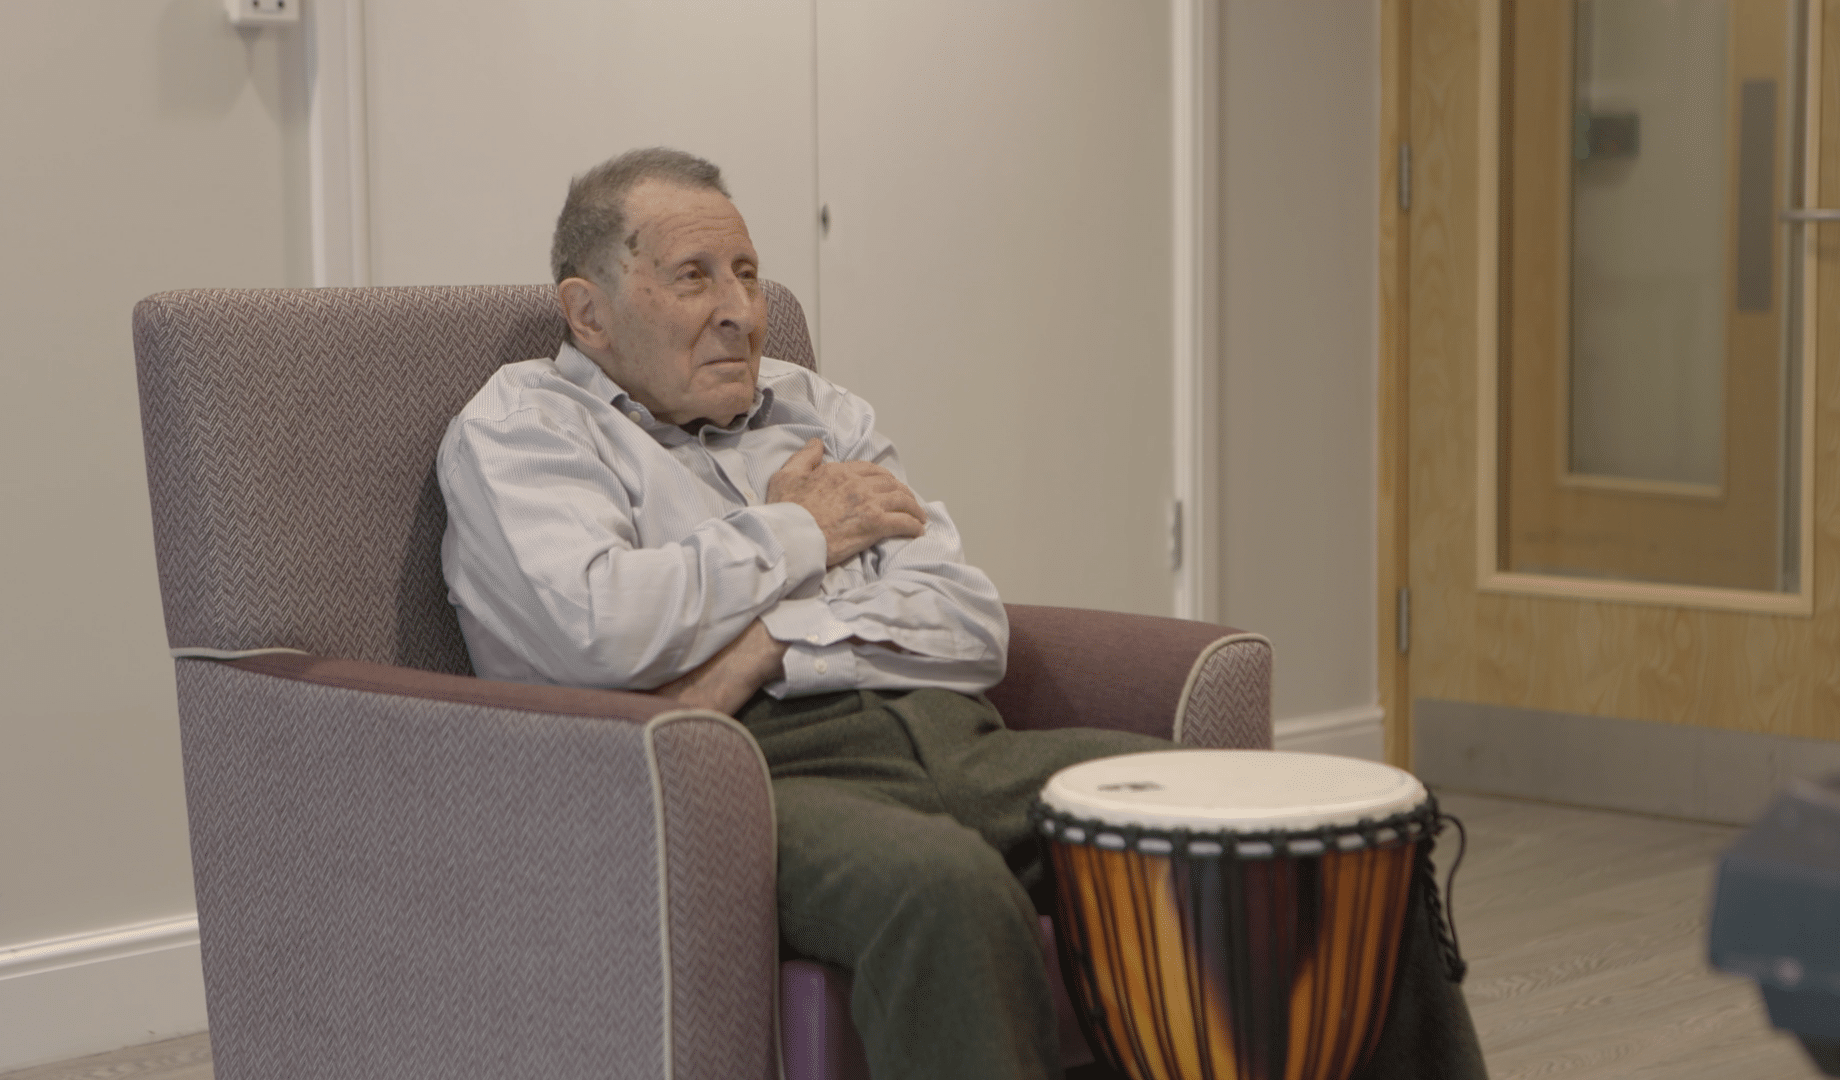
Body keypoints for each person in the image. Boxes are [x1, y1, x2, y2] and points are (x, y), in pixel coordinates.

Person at [437, 147, 1486, 1080]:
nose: (740, 311)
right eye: (694, 277)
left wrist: (754, 647)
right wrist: (802, 536)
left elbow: (964, 624)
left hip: (956, 740)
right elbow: (596, 632)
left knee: (1314, 830)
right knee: (946, 892)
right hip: (750, 776)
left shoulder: (817, 407)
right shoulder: (523, 431)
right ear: (589, 312)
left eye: (748, 274)